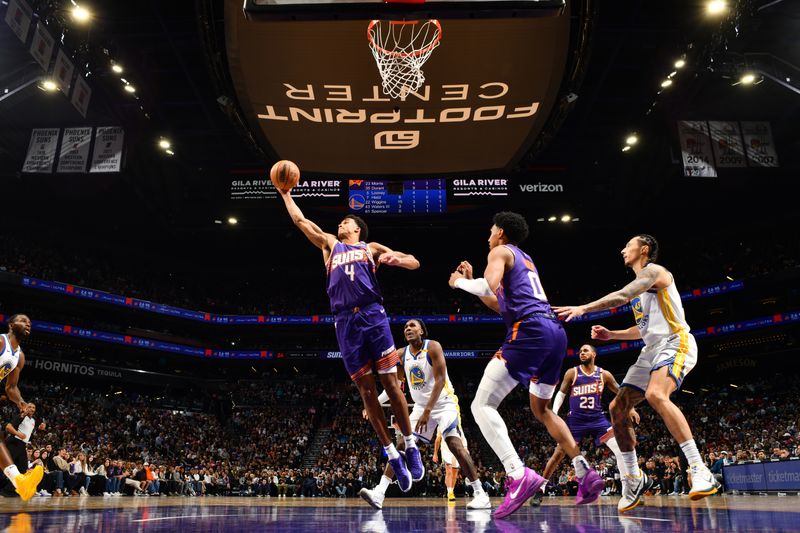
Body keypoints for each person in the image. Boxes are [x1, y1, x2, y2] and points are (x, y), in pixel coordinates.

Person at [449, 212, 603, 519]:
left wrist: (459, 283)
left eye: (491, 231)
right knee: (541, 409)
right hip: (555, 333)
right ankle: (583, 469)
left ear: (502, 233)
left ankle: (517, 474)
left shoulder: (499, 251)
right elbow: (498, 300)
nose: (488, 237)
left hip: (530, 331)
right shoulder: (524, 260)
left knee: (482, 405)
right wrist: (472, 282)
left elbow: (489, 285)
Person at [554, 234, 720, 513]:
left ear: (644, 249)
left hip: (675, 342)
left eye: (628, 245)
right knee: (617, 406)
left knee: (656, 394)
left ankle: (699, 469)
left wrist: (584, 308)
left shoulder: (655, 272)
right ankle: (633, 478)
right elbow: (642, 330)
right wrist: (611, 335)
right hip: (652, 349)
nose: (622, 250)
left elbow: (621, 296)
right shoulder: (641, 292)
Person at [279, 185, 423, 491]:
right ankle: (392, 454)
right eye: (340, 222)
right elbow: (301, 222)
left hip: (373, 316)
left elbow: (414, 261)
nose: (340, 225)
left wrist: (397, 260)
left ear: (357, 229)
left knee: (392, 385)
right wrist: (285, 194)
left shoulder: (369, 248)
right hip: (344, 322)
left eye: (346, 222)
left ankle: (410, 444)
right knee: (366, 393)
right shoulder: (330, 245)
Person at [359, 320, 490, 510]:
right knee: (401, 445)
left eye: (412, 326)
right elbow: (393, 386)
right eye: (405, 328)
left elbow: (440, 380)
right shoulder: (401, 355)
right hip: (421, 407)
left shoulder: (433, 347)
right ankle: (379, 492)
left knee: (454, 444)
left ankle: (480, 494)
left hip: (445, 404)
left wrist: (428, 411)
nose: (408, 329)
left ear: (421, 331)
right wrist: (373, 404)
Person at [531, 344, 640, 506]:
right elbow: (560, 394)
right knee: (558, 455)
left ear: (594, 354)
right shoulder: (572, 372)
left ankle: (629, 491)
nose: (581, 353)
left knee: (620, 448)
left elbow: (620, 391)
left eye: (585, 350)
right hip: (576, 422)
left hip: (598, 420)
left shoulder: (604, 374)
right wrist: (553, 414)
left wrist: (630, 407)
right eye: (580, 351)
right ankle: (540, 489)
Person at [0, 315, 43, 500]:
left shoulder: (20, 356)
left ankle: (19, 482)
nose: (28, 324)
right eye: (24, 320)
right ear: (11, 325)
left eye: (30, 323)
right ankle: (19, 481)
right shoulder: (1, 341)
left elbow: (10, 387)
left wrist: (20, 402)